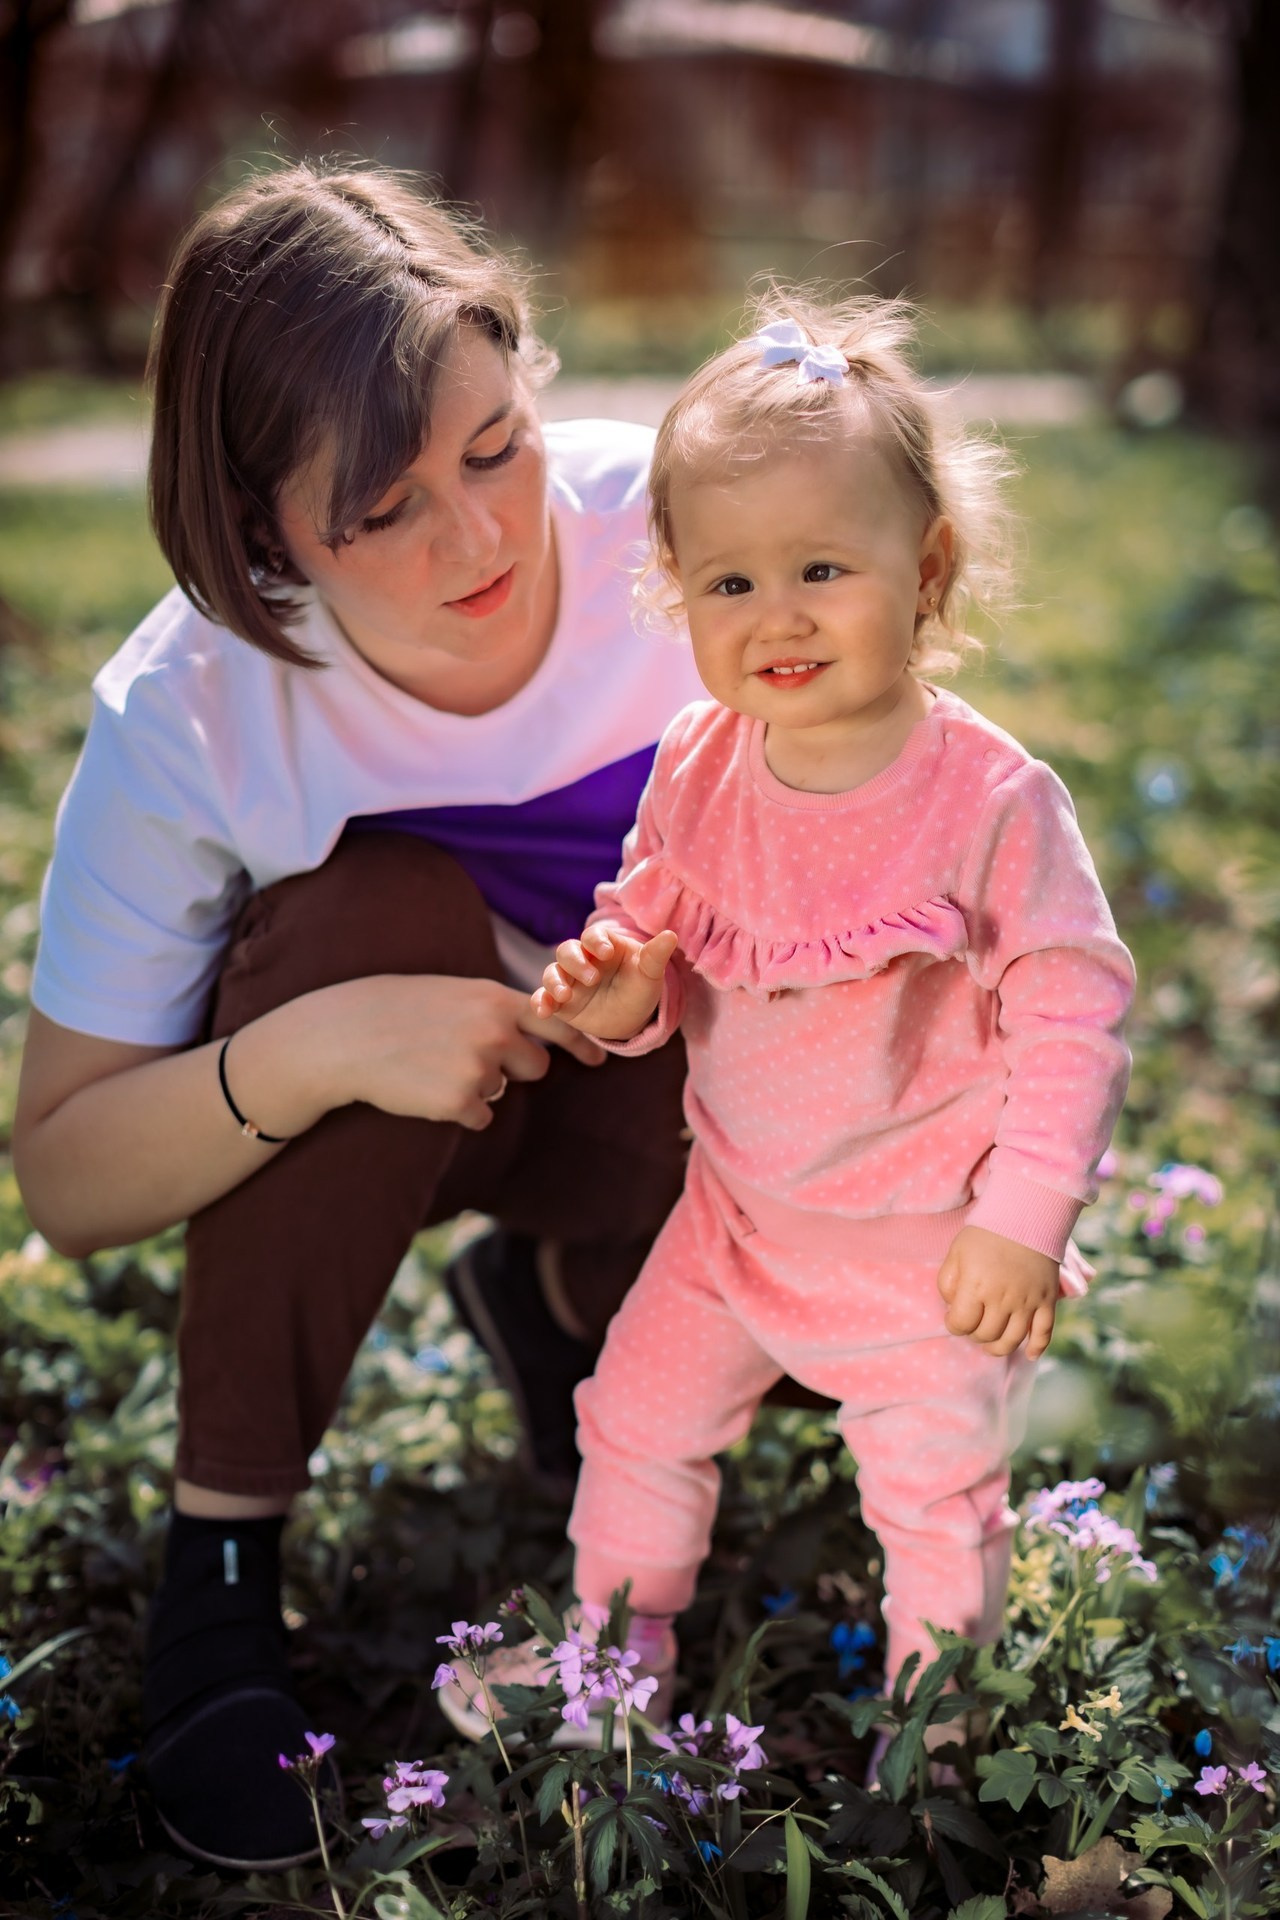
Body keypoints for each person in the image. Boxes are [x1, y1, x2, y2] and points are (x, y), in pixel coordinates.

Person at [11, 163, 711, 1870]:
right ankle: (224, 1569)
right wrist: (323, 1043)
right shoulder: (196, 712)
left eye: (495, 446)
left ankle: (578, 1313)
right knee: (364, 909)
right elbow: (68, 1182)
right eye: (381, 509)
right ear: (265, 531)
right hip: (386, 1108)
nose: (480, 535)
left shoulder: (696, 533)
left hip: (669, 1079)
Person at [438, 294, 1135, 1761]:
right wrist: (623, 1002)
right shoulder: (698, 762)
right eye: (733, 582)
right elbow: (656, 939)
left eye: (825, 567)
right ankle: (615, 1677)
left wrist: (1021, 1217)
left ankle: (935, 1744)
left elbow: (1074, 1009)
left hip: (924, 1249)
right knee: (632, 1420)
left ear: (927, 570)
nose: (781, 617)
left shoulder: (990, 802)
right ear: (679, 591)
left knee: (933, 1502)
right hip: (738, 1219)